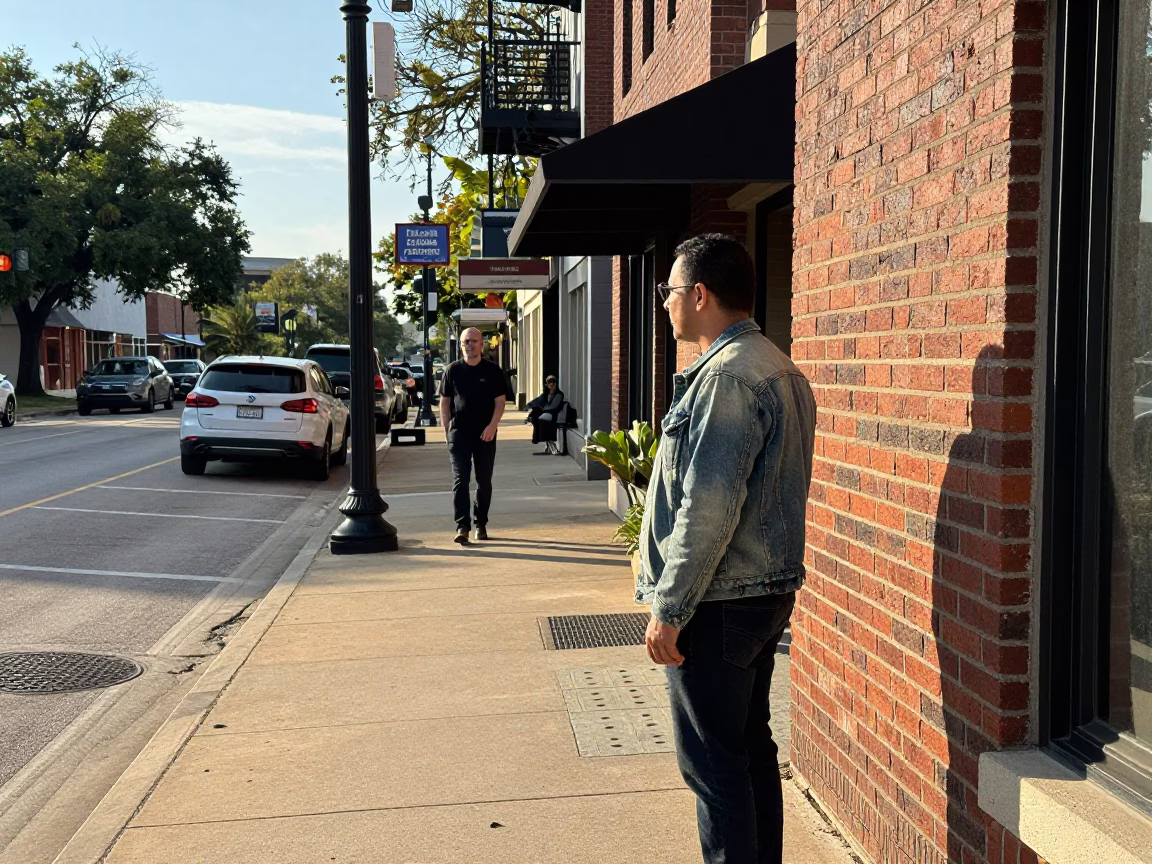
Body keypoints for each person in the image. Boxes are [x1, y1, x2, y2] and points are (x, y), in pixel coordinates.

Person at [636, 233, 816, 864]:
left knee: (714, 766)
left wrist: (670, 606)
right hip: (759, 594)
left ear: (701, 294)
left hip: (717, 601)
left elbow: (707, 507)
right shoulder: (775, 363)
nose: (665, 304)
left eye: (670, 291)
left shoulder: (729, 380)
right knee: (747, 749)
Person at [438, 327, 510, 544]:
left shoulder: (493, 371)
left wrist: (492, 426)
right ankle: (462, 526)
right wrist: (446, 430)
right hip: (459, 433)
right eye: (465, 342)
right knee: (460, 480)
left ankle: (481, 523)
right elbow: (445, 401)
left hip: (485, 434)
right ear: (461, 345)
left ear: (482, 344)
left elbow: (500, 402)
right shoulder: (452, 371)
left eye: (473, 341)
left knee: (483, 481)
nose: (469, 345)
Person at [526, 375, 564, 455]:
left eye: (552, 383)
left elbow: (554, 406)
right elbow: (537, 401)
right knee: (535, 414)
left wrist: (542, 409)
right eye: (549, 383)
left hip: (553, 414)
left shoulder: (558, 394)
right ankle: (542, 441)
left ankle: (551, 445)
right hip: (545, 413)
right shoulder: (546, 394)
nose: (551, 385)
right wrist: (530, 406)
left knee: (541, 417)